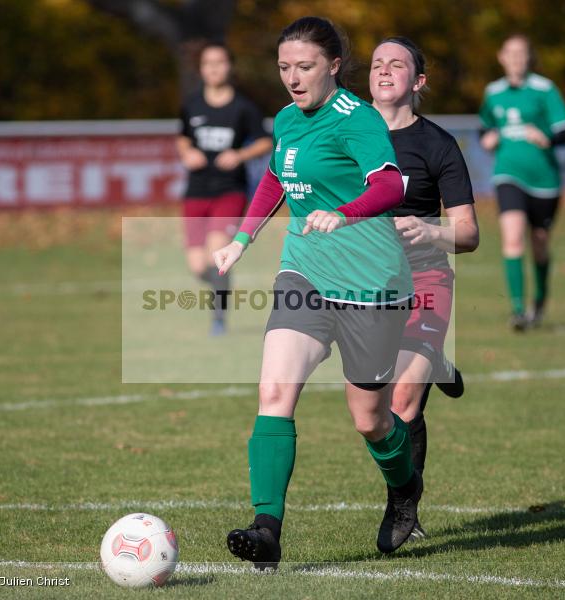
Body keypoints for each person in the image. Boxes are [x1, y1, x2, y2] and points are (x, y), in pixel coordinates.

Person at [213, 16, 422, 570]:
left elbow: (390, 184)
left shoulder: (357, 119)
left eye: (304, 67)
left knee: (370, 419)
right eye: (284, 67)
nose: (293, 78)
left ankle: (405, 487)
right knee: (274, 391)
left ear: (333, 65)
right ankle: (266, 530)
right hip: (303, 273)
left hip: (372, 283)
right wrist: (241, 240)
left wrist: (345, 213)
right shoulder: (285, 119)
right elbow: (275, 179)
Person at [369, 37, 480, 540]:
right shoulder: (347, 136)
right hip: (364, 284)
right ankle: (433, 360)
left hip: (424, 279)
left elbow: (469, 233)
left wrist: (431, 231)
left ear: (418, 81)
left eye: (396, 64)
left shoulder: (437, 144)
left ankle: (403, 507)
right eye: (377, 63)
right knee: (372, 412)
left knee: (402, 399)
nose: (384, 70)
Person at [478, 34, 565, 331]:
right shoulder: (493, 92)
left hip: (544, 180)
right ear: (501, 57)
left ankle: (539, 302)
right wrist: (487, 138)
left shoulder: (545, 89)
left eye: (521, 53)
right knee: (513, 238)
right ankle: (518, 311)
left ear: (529, 57)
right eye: (511, 53)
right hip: (508, 173)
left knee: (540, 244)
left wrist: (547, 138)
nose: (516, 59)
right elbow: (485, 126)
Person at [177, 43, 272, 335]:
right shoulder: (191, 105)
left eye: (219, 62)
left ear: (229, 66)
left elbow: (265, 141)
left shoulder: (243, 108)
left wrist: (240, 155)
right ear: (201, 69)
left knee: (215, 255)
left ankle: (218, 319)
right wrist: (187, 153)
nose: (214, 68)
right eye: (208, 63)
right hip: (195, 191)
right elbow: (182, 137)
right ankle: (223, 285)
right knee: (197, 267)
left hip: (229, 191)